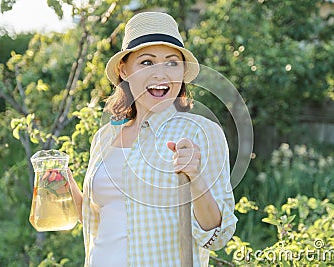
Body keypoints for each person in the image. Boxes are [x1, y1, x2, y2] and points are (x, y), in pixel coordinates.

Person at [68, 11, 237, 267]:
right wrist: (65, 188)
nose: (161, 74)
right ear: (124, 70)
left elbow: (217, 235)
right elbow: (99, 218)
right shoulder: (104, 137)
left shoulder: (201, 132)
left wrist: (195, 178)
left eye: (171, 62)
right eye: (146, 62)